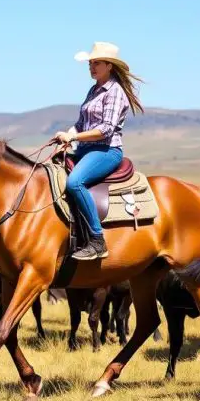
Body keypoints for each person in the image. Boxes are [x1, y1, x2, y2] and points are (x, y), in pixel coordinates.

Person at [51, 42, 144, 261]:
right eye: (90, 63)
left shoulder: (114, 92)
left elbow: (105, 130)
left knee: (75, 183)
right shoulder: (93, 90)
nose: (91, 68)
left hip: (106, 150)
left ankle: (97, 240)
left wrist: (73, 137)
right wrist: (67, 135)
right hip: (85, 149)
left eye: (97, 63)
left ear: (109, 66)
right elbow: (81, 124)